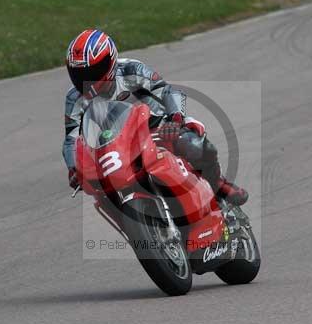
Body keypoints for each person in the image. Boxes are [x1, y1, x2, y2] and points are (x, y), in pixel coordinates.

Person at [62, 29, 248, 206]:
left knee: (195, 145)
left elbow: (169, 91)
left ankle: (218, 185)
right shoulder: (74, 99)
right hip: (118, 146)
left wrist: (176, 119)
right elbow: (71, 140)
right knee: (102, 192)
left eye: (92, 71)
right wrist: (74, 168)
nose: (86, 79)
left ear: (109, 62)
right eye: (78, 74)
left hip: (159, 128)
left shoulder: (131, 70)